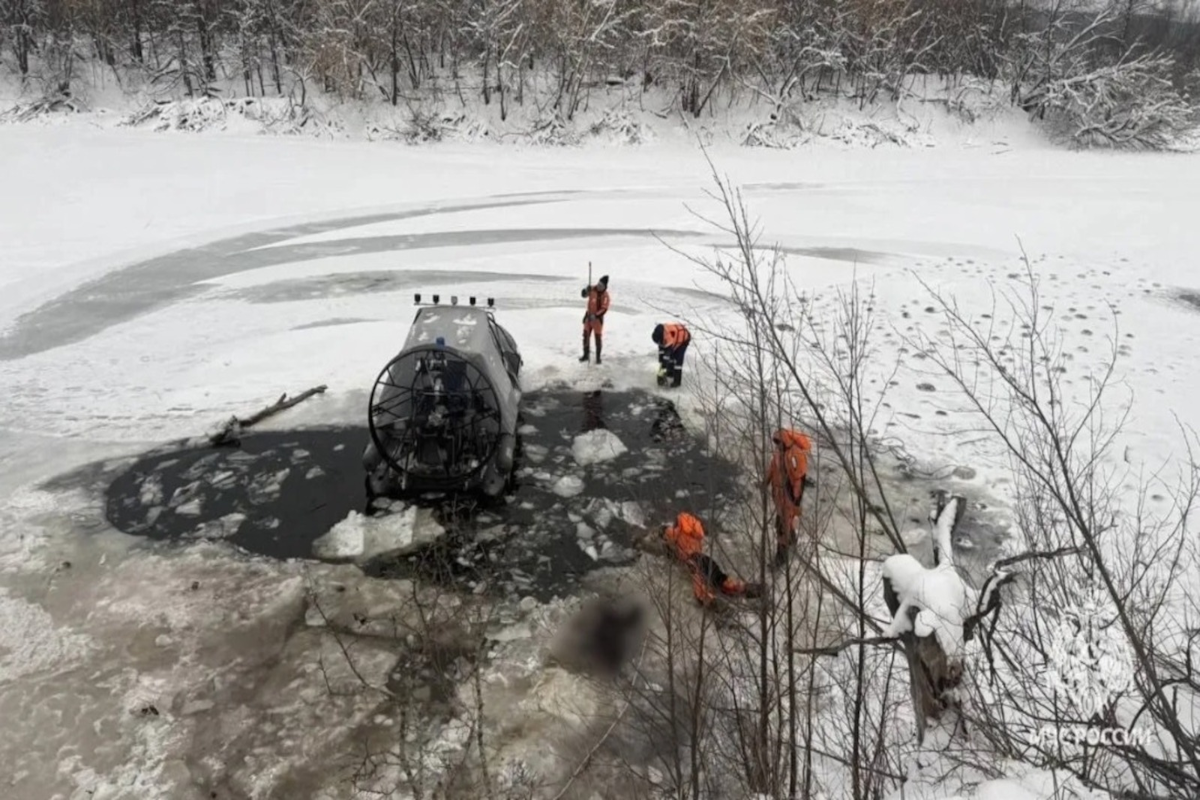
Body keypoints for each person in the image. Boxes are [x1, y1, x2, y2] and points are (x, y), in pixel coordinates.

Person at [660, 512, 762, 607]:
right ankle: (753, 589)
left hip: (695, 561)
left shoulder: (673, 536)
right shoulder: (688, 531)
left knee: (702, 594)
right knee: (722, 580)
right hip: (705, 559)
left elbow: (669, 542)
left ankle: (720, 608)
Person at [765, 428, 814, 566]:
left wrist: (795, 502)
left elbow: (798, 481)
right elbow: (772, 468)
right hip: (779, 496)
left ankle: (781, 558)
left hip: (788, 498)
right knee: (782, 524)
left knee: (782, 528)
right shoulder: (779, 453)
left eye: (779, 442)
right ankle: (792, 541)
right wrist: (765, 482)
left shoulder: (795, 455)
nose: (777, 445)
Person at [580, 275, 610, 364]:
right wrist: (585, 291)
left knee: (597, 338)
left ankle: (598, 358)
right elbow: (584, 295)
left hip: (597, 321)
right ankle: (585, 355)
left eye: (601, 285)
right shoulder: (592, 288)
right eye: (599, 284)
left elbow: (604, 309)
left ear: (605, 286)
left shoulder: (606, 296)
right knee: (585, 336)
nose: (599, 286)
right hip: (588, 318)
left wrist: (596, 316)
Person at [651, 322, 691, 388]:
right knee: (669, 358)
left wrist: (660, 374)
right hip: (675, 337)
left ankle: (677, 382)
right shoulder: (660, 335)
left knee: (677, 361)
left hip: (684, 339)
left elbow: (666, 356)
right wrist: (661, 360)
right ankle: (670, 373)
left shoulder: (668, 337)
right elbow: (661, 350)